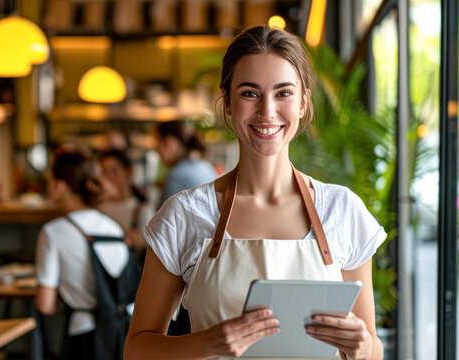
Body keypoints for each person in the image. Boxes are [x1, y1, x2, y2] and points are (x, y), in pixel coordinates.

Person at [124, 26, 386, 360]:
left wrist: (363, 348)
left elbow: (372, 349)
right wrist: (208, 343)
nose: (267, 111)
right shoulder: (185, 214)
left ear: (304, 102)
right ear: (228, 103)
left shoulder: (342, 209)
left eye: (283, 93)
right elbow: (136, 349)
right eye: (250, 93)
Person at [35, 151, 141, 360]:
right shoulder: (113, 226)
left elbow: (45, 305)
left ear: (60, 186)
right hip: (126, 333)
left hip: (85, 336)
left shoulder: (53, 231)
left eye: (49, 181)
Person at [98, 149, 154, 252]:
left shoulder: (142, 209)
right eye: (105, 172)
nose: (109, 177)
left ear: (128, 171)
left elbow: (145, 244)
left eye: (114, 171)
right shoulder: (99, 208)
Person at [155, 120, 218, 206]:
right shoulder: (207, 166)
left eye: (157, 142)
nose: (156, 149)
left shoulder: (176, 176)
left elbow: (162, 218)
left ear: (169, 143)